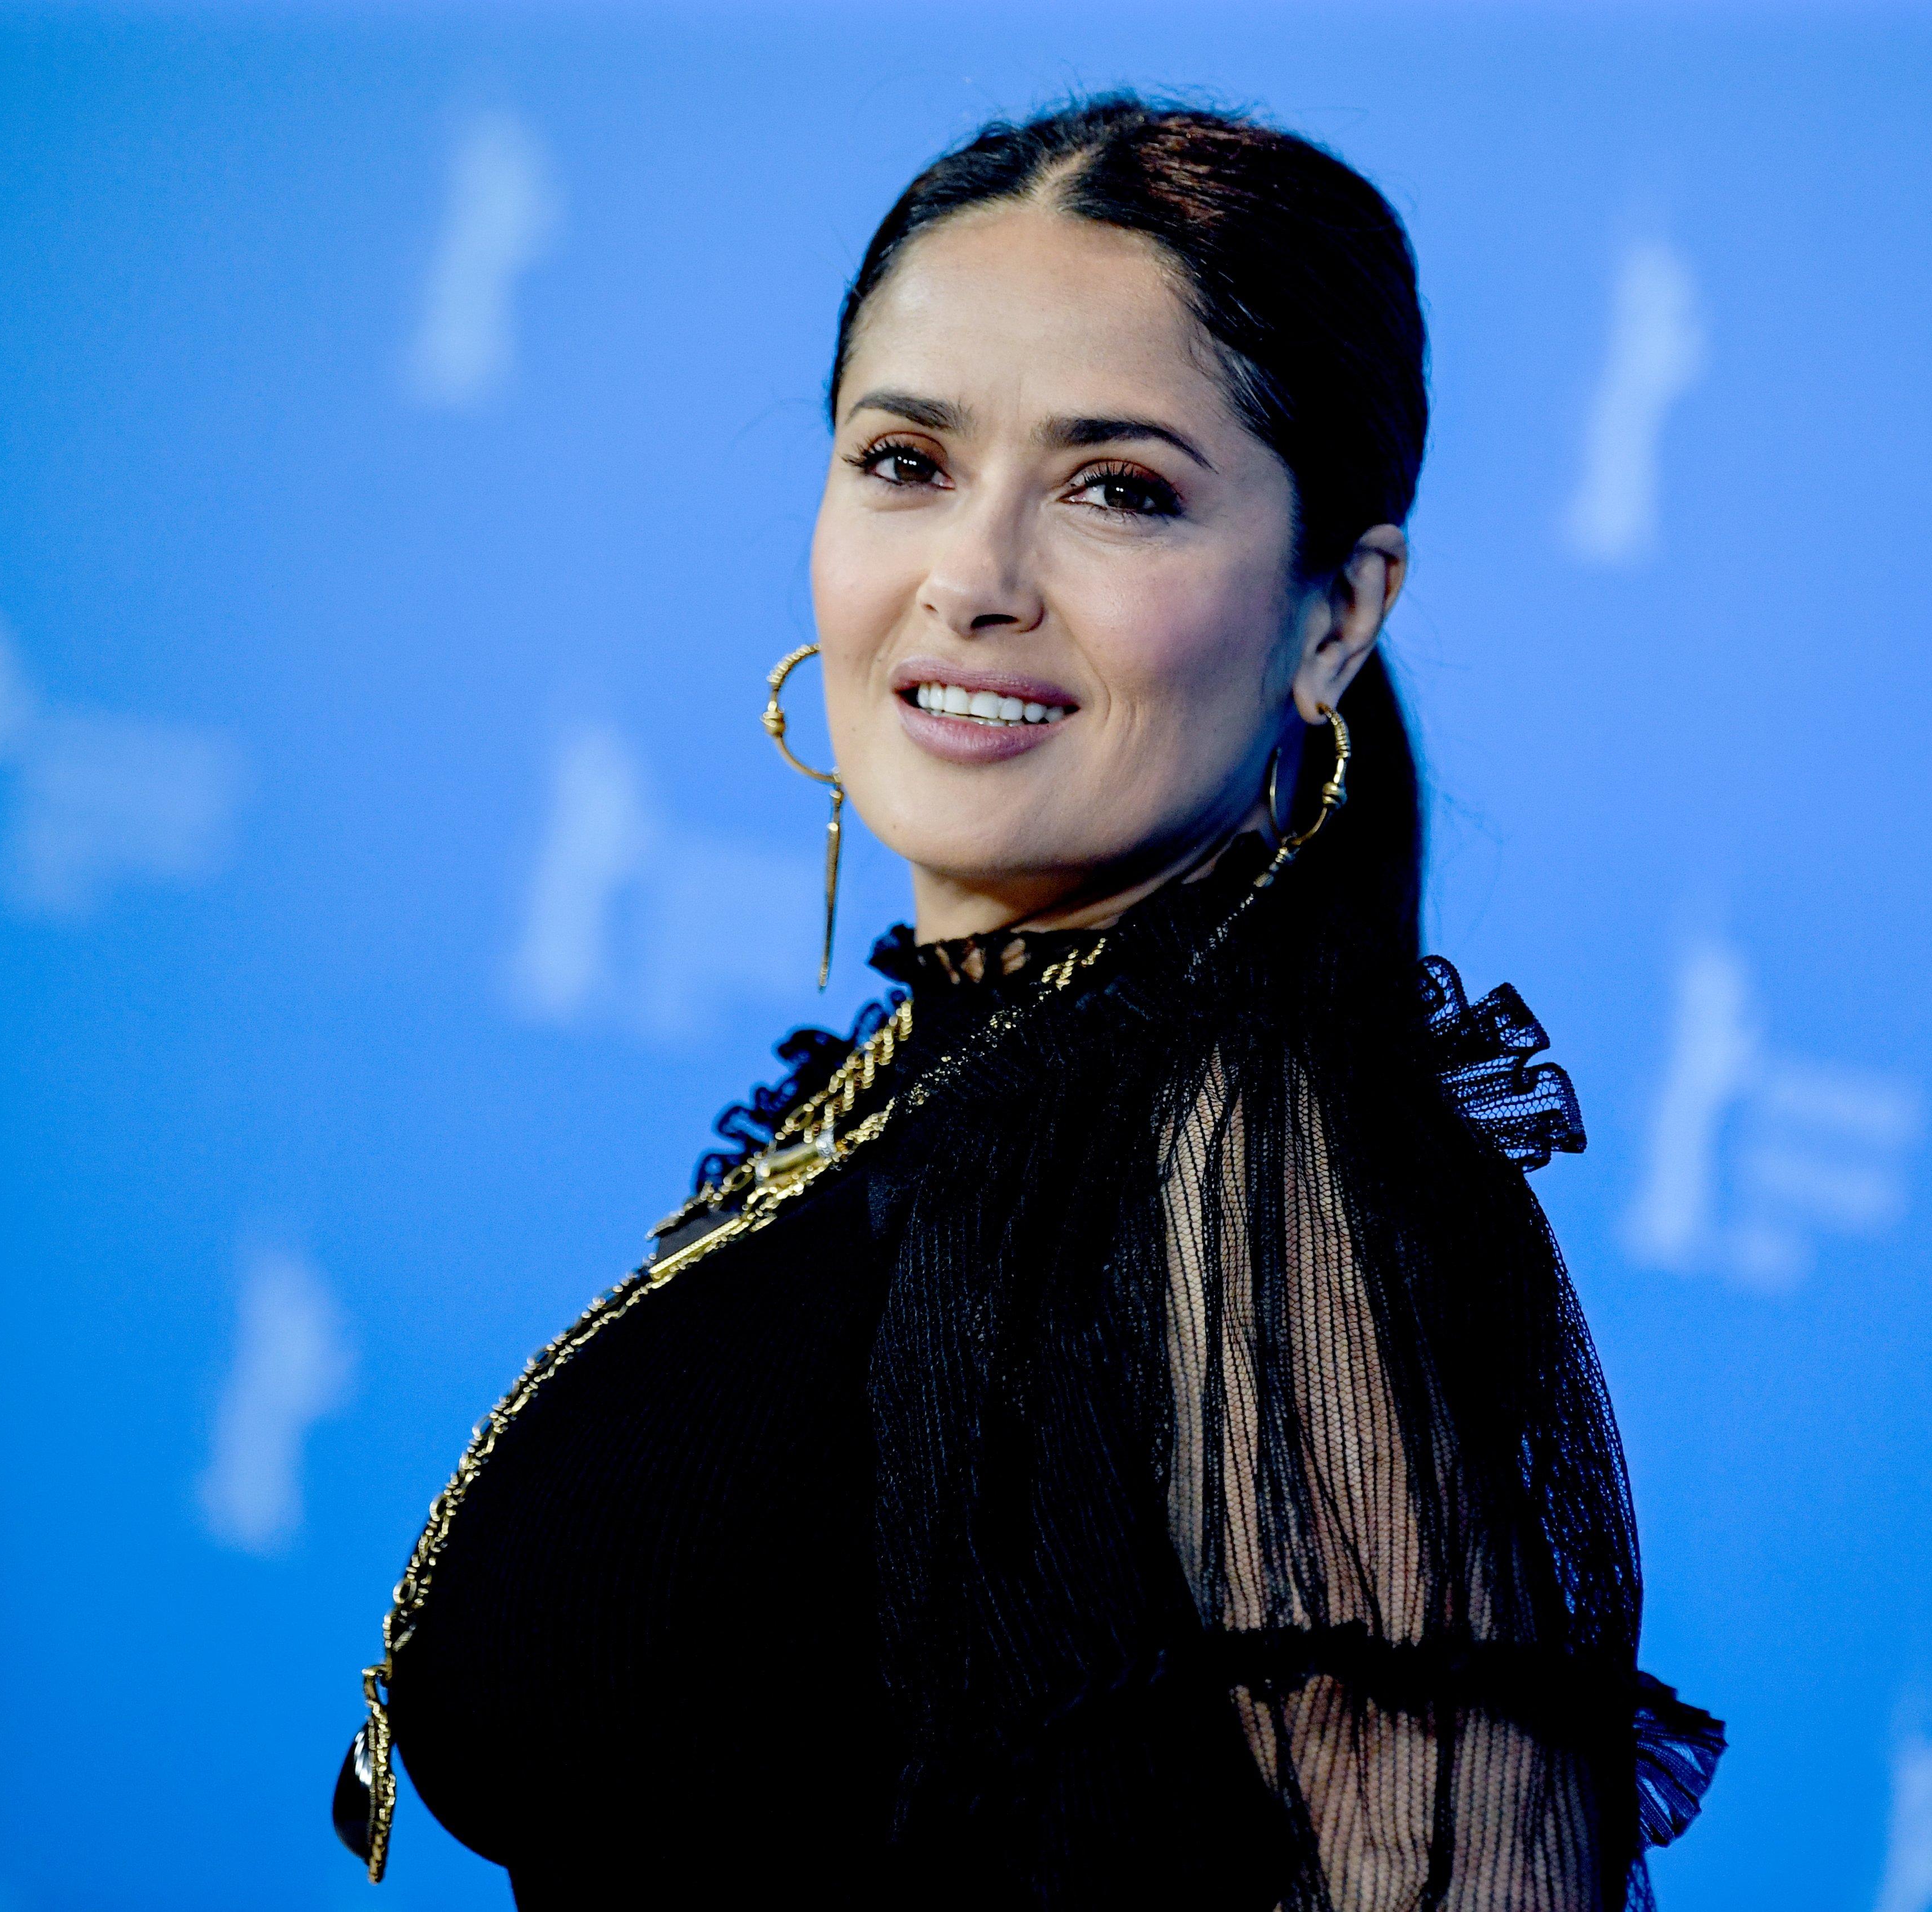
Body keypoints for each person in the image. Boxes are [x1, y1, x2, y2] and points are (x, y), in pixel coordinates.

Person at [334, 94, 1720, 1911]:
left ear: (1334, 616)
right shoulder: (936, 1085)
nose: (969, 582)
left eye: (1116, 491)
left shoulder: (1256, 1179)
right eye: (904, 460)